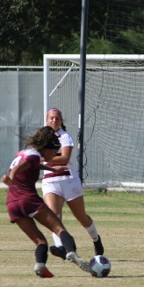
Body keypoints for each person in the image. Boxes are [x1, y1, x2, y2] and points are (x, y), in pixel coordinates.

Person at [2, 126, 91, 278]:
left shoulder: (24, 153)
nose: (54, 155)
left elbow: (30, 164)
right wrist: (11, 176)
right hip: (28, 200)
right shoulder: (34, 156)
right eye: (54, 151)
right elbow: (21, 166)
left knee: (40, 241)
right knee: (59, 229)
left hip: (12, 203)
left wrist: (52, 169)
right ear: (47, 148)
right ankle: (71, 252)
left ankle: (40, 266)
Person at [42, 108, 104, 260]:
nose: (54, 121)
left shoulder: (65, 137)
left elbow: (64, 158)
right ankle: (61, 247)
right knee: (54, 216)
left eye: (57, 118)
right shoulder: (42, 138)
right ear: (46, 120)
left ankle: (96, 239)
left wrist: (44, 158)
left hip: (68, 181)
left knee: (81, 217)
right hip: (50, 181)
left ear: (61, 121)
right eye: (51, 118)